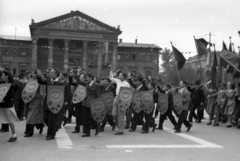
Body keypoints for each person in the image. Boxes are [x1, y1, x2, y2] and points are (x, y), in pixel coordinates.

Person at [70, 69, 101, 137]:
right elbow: (79, 81)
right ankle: (86, 132)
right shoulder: (86, 83)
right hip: (85, 102)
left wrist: (98, 103)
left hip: (93, 102)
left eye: (87, 77)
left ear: (91, 78)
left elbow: (98, 95)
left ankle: (96, 126)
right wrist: (78, 73)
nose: (86, 78)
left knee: (91, 117)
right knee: (85, 117)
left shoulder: (96, 85)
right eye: (86, 77)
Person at [36, 68, 63, 140]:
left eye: (52, 72)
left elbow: (61, 94)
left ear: (56, 74)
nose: (50, 73)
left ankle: (51, 135)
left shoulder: (60, 83)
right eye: (50, 72)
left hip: (54, 103)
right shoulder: (48, 80)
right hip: (47, 103)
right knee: (45, 118)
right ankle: (53, 128)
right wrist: (38, 76)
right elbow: (40, 81)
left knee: (52, 119)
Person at [24, 69, 45, 137]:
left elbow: (42, 93)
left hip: (37, 101)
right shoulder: (30, 81)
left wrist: (33, 95)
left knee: (31, 116)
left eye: (34, 73)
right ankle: (40, 125)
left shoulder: (40, 82)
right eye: (32, 73)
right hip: (30, 101)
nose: (33, 74)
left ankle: (29, 132)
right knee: (34, 116)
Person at [109, 70, 130, 135]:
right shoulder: (118, 81)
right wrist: (110, 71)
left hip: (122, 99)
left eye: (121, 75)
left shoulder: (127, 84)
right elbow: (111, 78)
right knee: (114, 114)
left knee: (121, 115)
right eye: (119, 75)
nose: (119, 76)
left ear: (124, 77)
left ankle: (120, 130)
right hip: (116, 97)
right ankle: (120, 125)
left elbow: (128, 93)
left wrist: (126, 101)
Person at [0, 70, 19, 142]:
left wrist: (4, 98)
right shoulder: (2, 83)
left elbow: (11, 96)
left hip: (7, 105)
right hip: (2, 104)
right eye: (1, 75)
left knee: (10, 120)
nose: (2, 76)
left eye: (3, 75)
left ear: (7, 76)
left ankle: (14, 135)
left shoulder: (11, 85)